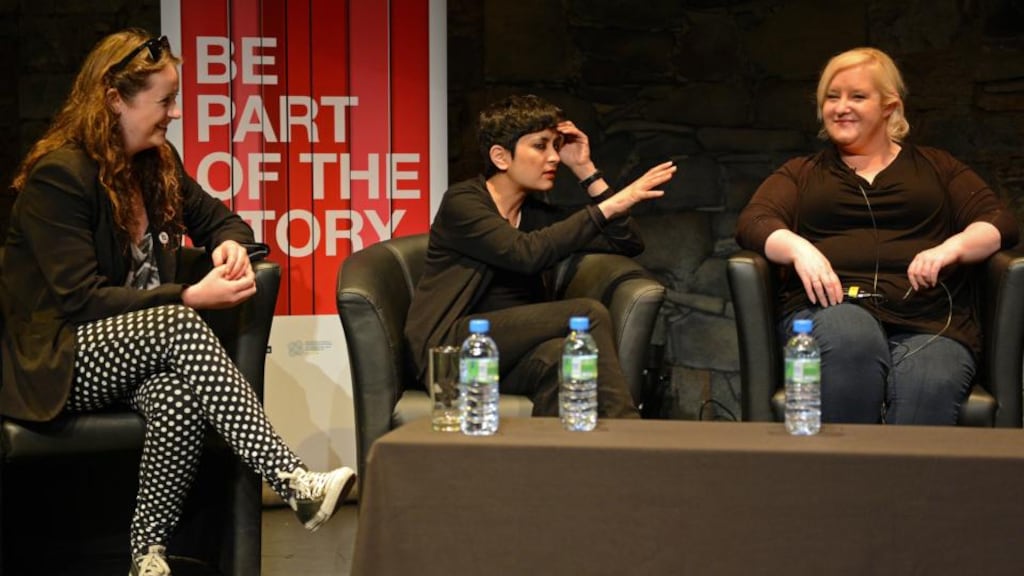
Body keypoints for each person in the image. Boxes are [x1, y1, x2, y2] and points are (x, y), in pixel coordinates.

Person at [1, 29, 355, 575]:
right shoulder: (61, 176)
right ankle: (291, 480)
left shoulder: (156, 163)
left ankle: (147, 553)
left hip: (131, 352)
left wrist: (230, 244)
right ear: (115, 99)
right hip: (58, 358)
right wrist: (190, 294)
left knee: (174, 397)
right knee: (175, 321)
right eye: (164, 101)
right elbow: (79, 300)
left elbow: (221, 219)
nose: (173, 113)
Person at [735, 47, 1019, 425]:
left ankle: (907, 486)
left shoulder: (937, 167)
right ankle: (846, 481)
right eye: (831, 97)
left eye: (857, 96)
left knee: (929, 382)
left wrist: (952, 248)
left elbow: (999, 221)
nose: (840, 107)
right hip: (832, 312)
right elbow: (754, 221)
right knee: (854, 337)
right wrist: (799, 248)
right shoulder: (802, 173)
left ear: (889, 107)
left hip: (928, 321)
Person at [405, 94, 676, 418]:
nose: (554, 158)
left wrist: (586, 170)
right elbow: (525, 254)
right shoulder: (463, 203)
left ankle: (549, 463)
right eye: (541, 146)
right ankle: (629, 434)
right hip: (451, 351)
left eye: (557, 146)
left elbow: (626, 242)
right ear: (501, 157)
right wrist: (617, 201)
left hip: (507, 356)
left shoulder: (535, 215)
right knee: (586, 315)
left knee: (562, 358)